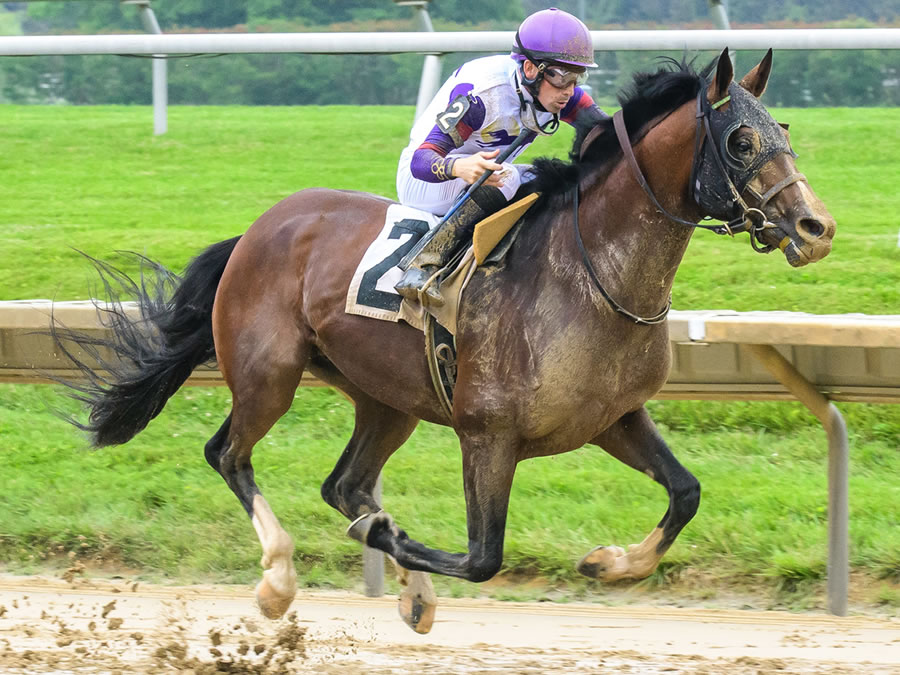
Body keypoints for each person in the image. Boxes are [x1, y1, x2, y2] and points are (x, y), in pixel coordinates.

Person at [394, 7, 608, 306]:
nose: (570, 91)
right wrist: (459, 166)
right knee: (506, 177)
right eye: (563, 77)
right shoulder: (482, 96)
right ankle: (425, 262)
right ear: (531, 69)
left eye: (577, 76)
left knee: (551, 178)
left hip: (483, 177)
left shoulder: (552, 88)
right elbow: (421, 162)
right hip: (427, 182)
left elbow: (605, 132)